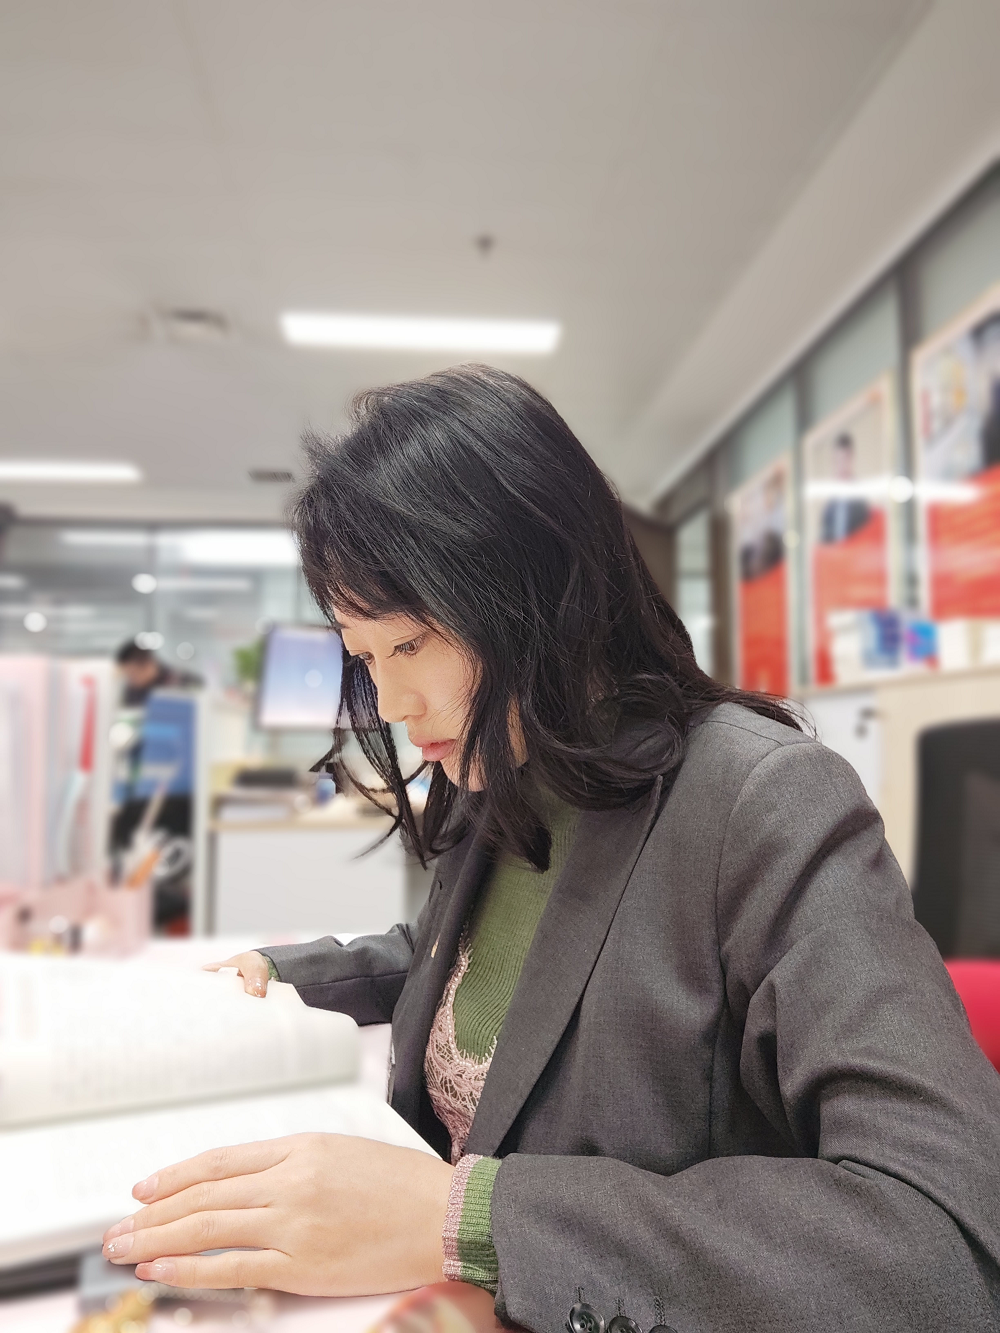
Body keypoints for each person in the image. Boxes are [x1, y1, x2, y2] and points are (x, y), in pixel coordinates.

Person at [102, 367, 1000, 1331]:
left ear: (538, 594)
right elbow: (472, 961)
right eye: (364, 657)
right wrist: (289, 973)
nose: (392, 704)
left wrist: (465, 1219)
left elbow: (945, 1238)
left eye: (411, 644)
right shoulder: (506, 764)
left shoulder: (763, 799)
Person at [819, 432, 871, 544]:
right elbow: (825, 537)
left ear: (851, 458)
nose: (840, 466)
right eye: (837, 461)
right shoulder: (831, 501)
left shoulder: (859, 497)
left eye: (843, 460)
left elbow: (865, 534)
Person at [115, 639, 201, 705]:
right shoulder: (133, 690)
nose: (131, 680)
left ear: (147, 665)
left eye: (132, 674)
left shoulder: (181, 680)